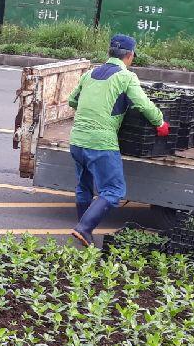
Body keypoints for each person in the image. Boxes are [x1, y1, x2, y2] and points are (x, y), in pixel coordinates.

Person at [68, 34, 168, 246]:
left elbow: (72, 100)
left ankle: (82, 230)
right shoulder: (126, 77)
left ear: (109, 53)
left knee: (84, 186)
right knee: (113, 191)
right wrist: (160, 123)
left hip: (77, 140)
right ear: (130, 55)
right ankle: (84, 228)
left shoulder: (90, 73)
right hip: (101, 142)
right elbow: (143, 104)